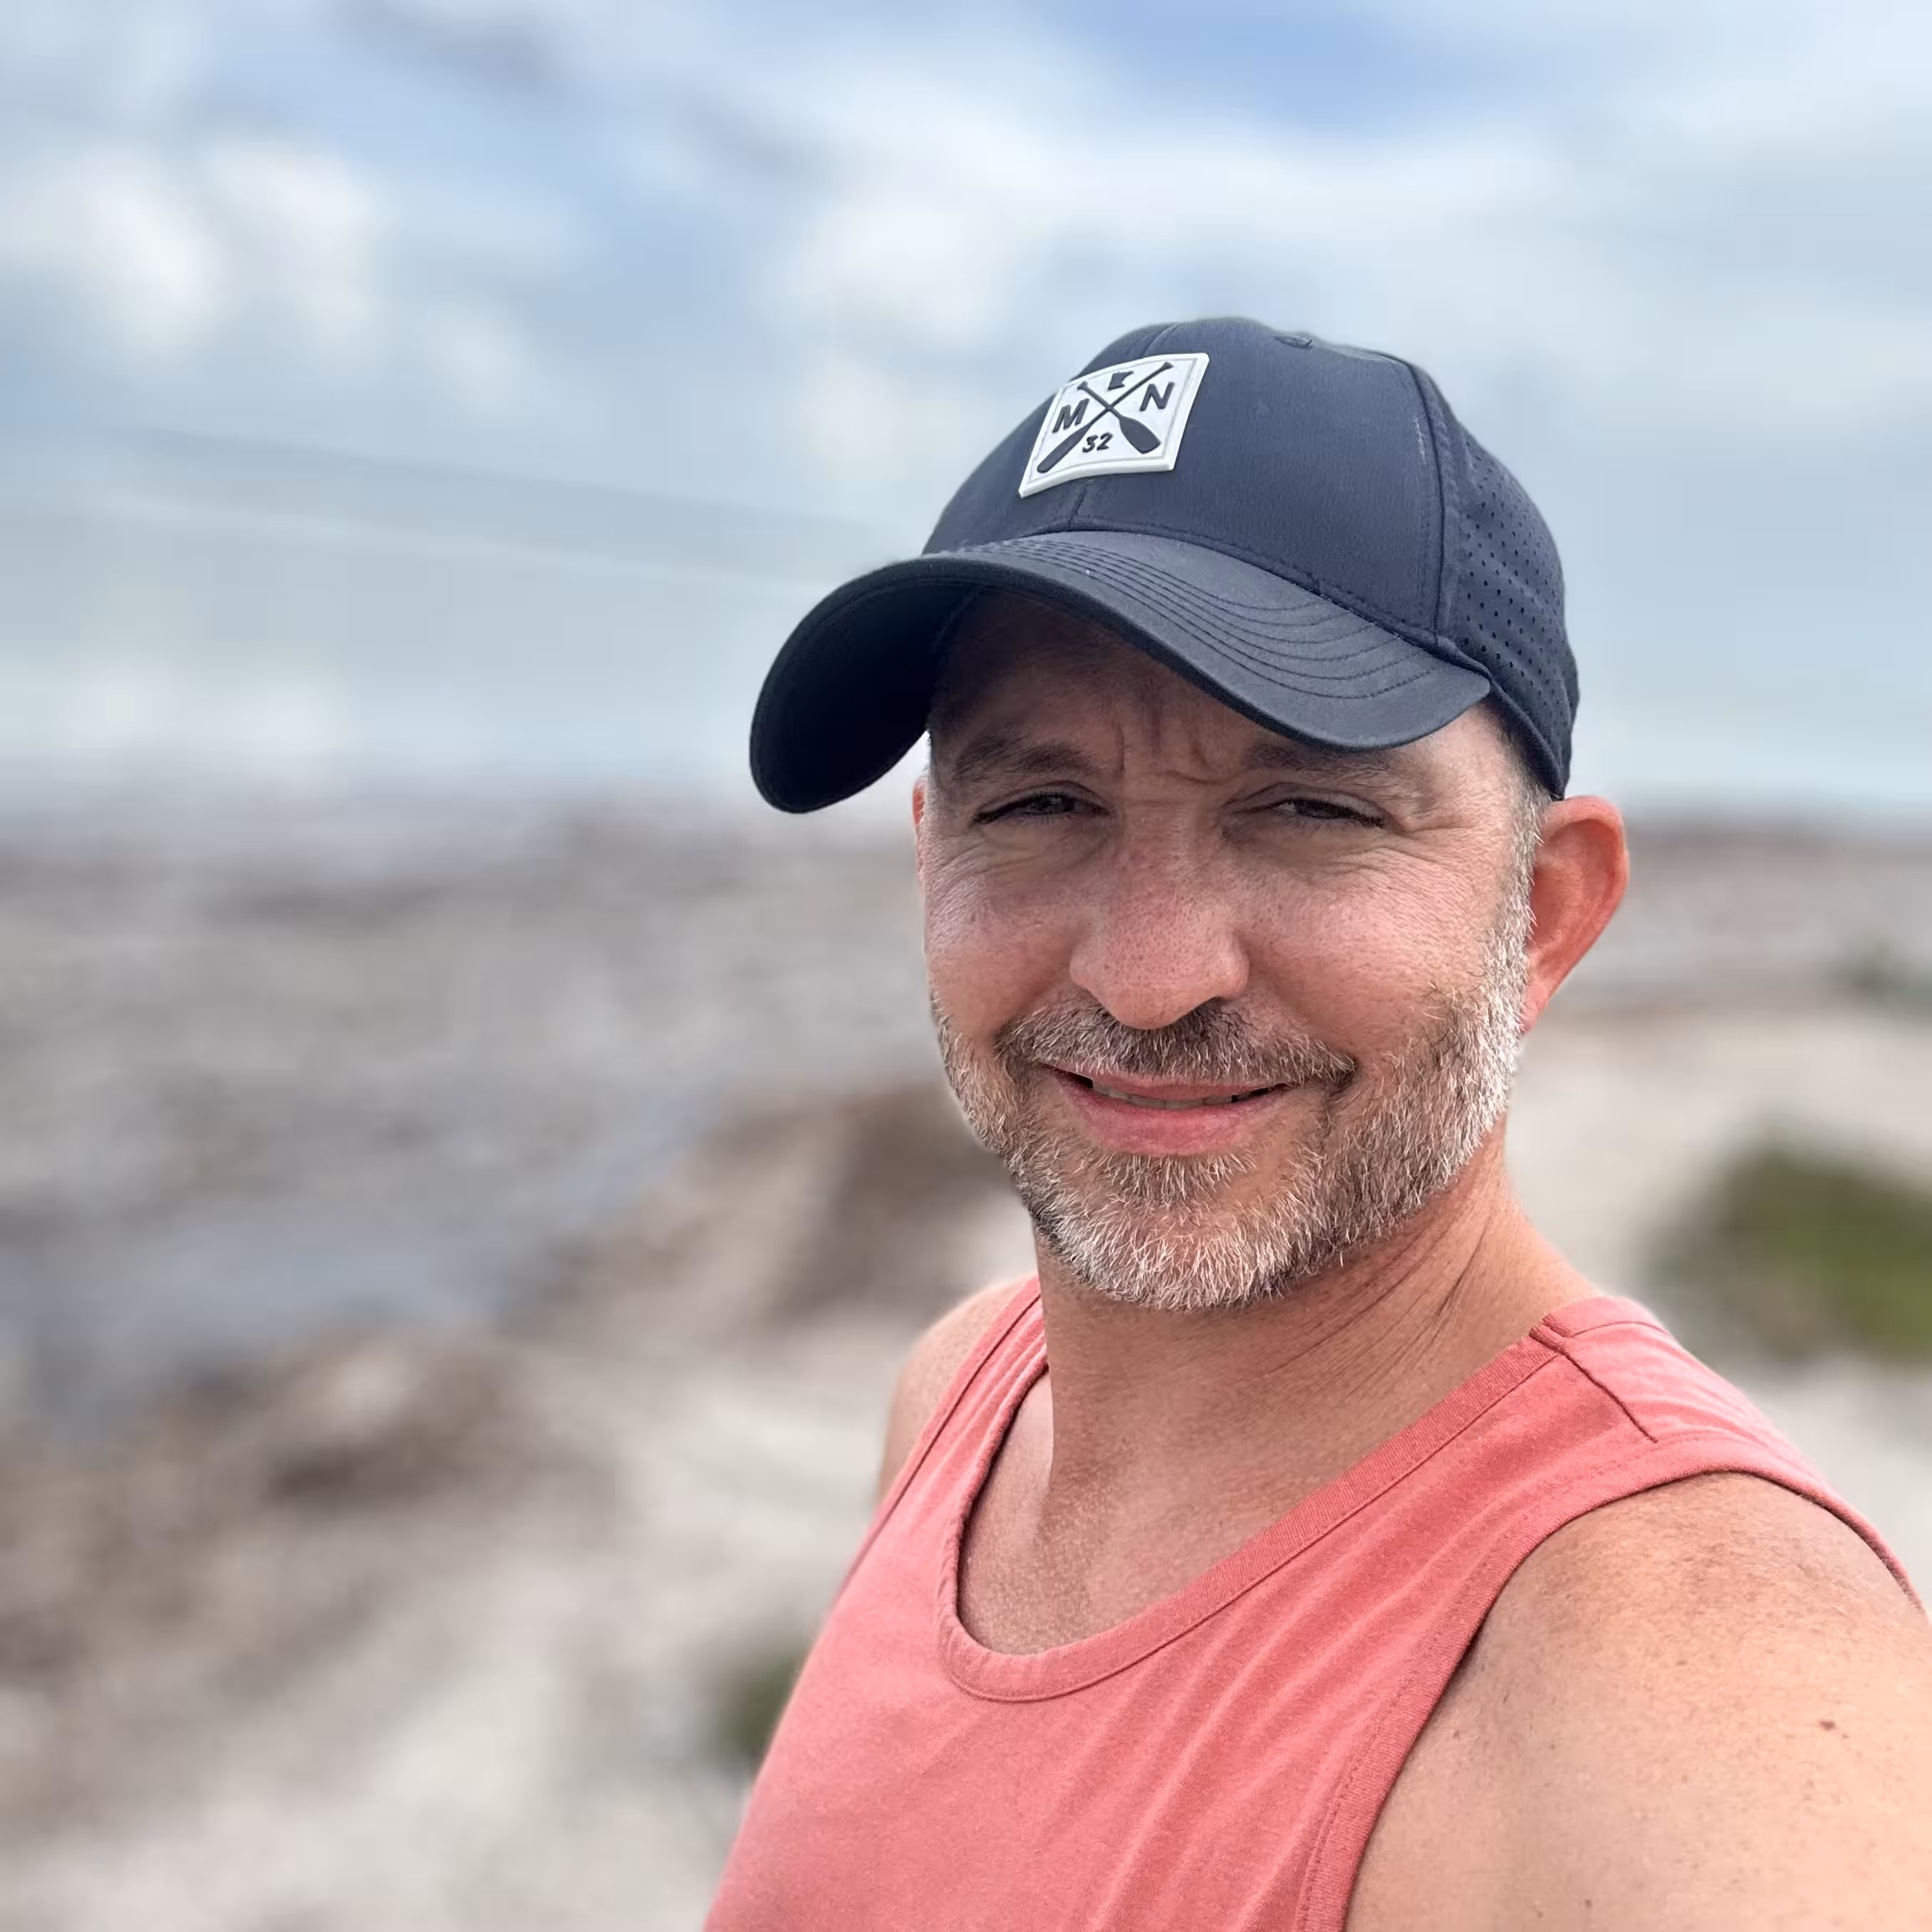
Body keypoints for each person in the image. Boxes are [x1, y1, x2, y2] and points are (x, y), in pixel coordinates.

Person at [705, 319, 1932, 1929]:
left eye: (1308, 809)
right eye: (1041, 804)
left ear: (1545, 916)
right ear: (932, 849)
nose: (1147, 979)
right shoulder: (962, 1396)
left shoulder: (1699, 1689)